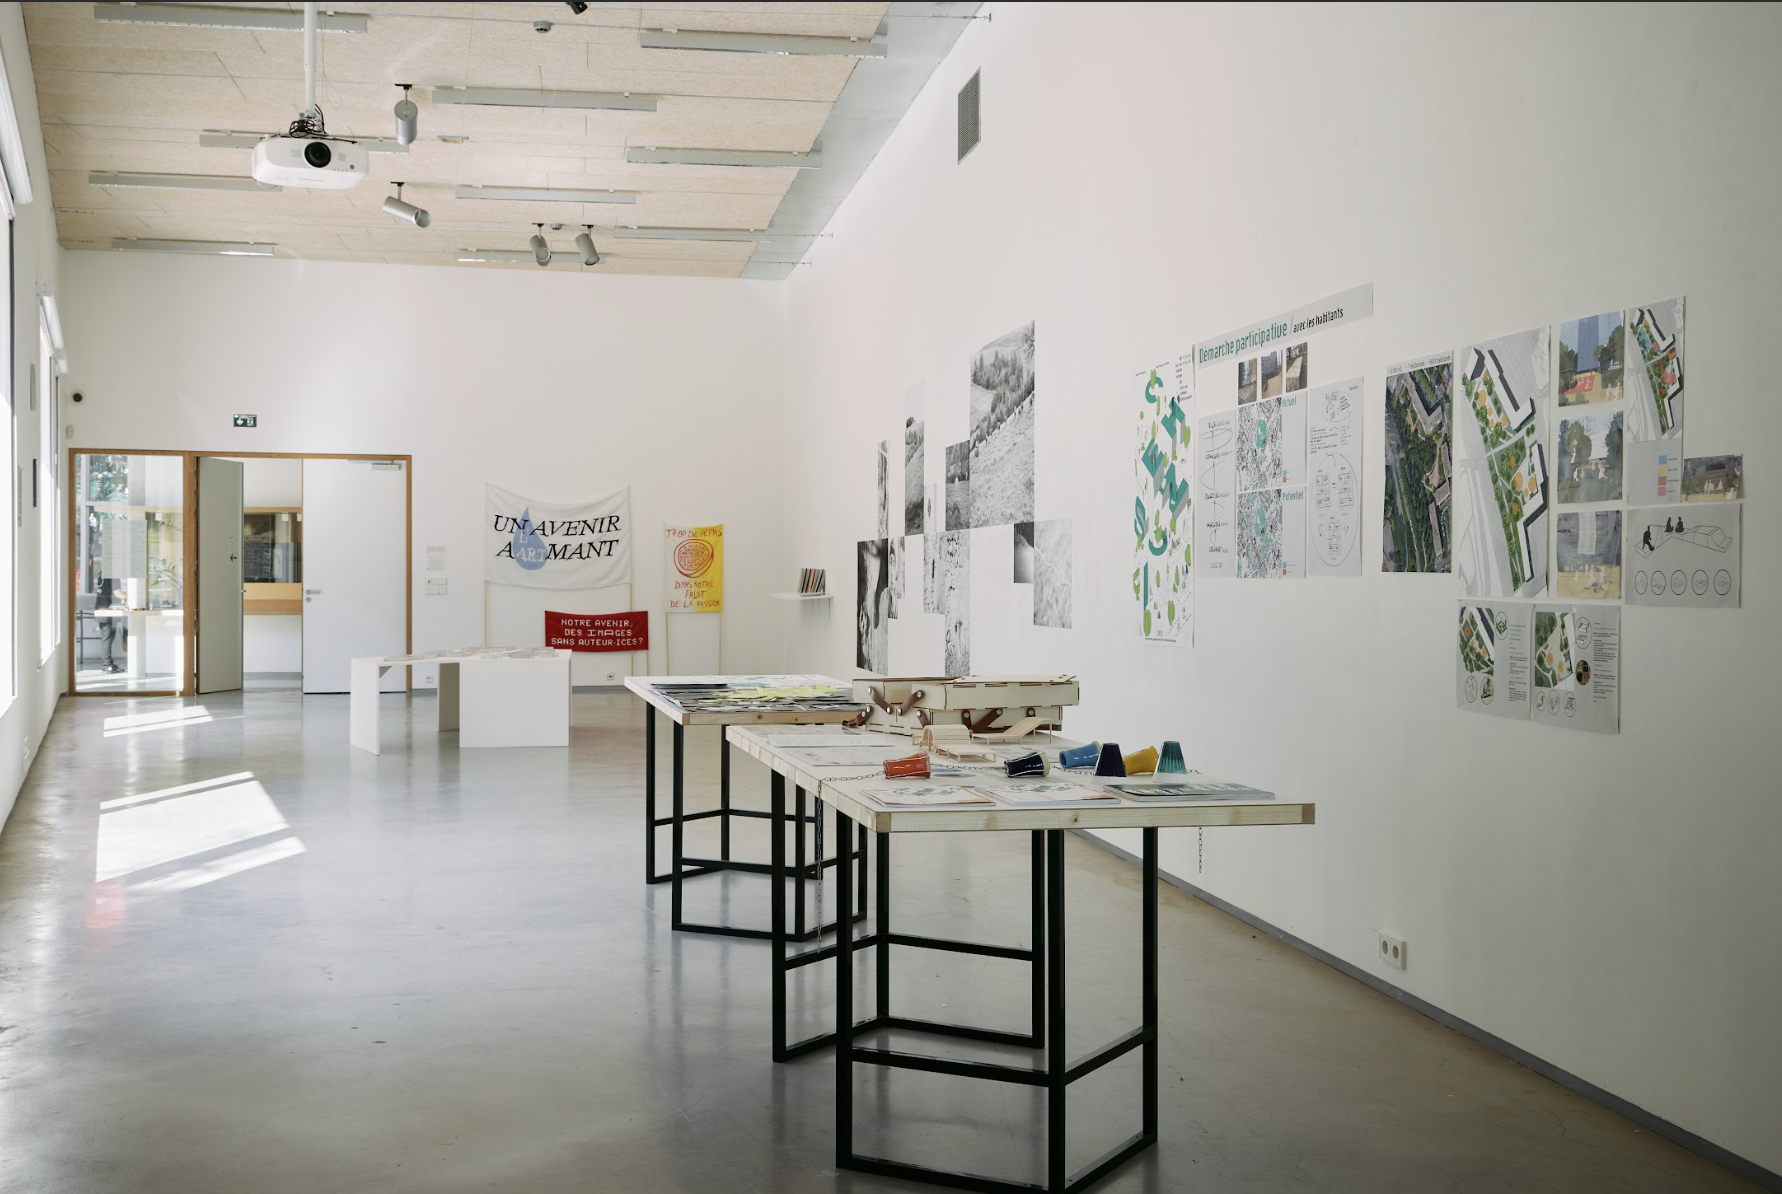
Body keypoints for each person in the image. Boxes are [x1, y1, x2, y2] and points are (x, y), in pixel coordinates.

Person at [96, 576, 126, 674]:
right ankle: (107, 665)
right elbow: (118, 594)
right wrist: (133, 595)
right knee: (107, 639)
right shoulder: (112, 575)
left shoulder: (102, 573)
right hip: (108, 611)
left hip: (101, 608)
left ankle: (108, 664)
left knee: (107, 638)